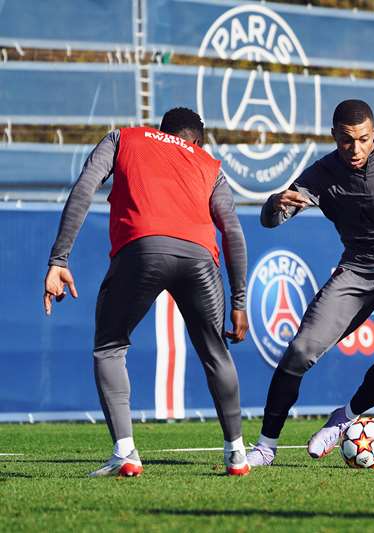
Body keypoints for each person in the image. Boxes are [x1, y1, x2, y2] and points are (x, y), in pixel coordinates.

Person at [43, 108, 251, 477]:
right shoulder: (208, 163)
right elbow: (232, 232)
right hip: (200, 257)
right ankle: (236, 453)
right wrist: (238, 301)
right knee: (215, 353)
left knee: (110, 346)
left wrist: (59, 258)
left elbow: (84, 187)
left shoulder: (124, 138)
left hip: (142, 248)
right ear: (197, 141)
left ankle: (125, 452)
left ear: (161, 132)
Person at [247, 99, 374, 467]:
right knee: (299, 351)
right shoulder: (321, 175)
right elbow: (272, 220)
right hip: (359, 269)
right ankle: (265, 447)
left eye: (363, 139)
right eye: (345, 140)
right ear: (333, 137)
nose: (355, 148)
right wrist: (275, 203)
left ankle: (346, 415)